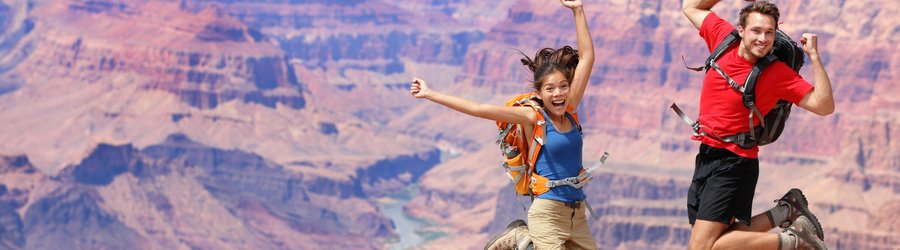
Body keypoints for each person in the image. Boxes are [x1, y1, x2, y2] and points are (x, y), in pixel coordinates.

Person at [410, 0, 597, 248]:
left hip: (577, 214)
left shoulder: (570, 109)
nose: (559, 93)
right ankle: (525, 238)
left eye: (563, 86)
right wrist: (430, 93)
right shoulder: (534, 118)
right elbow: (479, 109)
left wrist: (578, 10)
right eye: (550, 89)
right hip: (547, 213)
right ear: (539, 94)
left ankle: (525, 242)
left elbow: (587, 57)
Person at [680, 0, 835, 249]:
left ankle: (796, 241)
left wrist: (814, 57)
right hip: (707, 155)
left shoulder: (777, 74)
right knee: (719, 238)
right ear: (740, 30)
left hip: (735, 163)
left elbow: (824, 105)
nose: (763, 38)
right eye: (756, 30)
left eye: (769, 32)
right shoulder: (722, 38)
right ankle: (786, 210)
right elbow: (691, 6)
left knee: (702, 247)